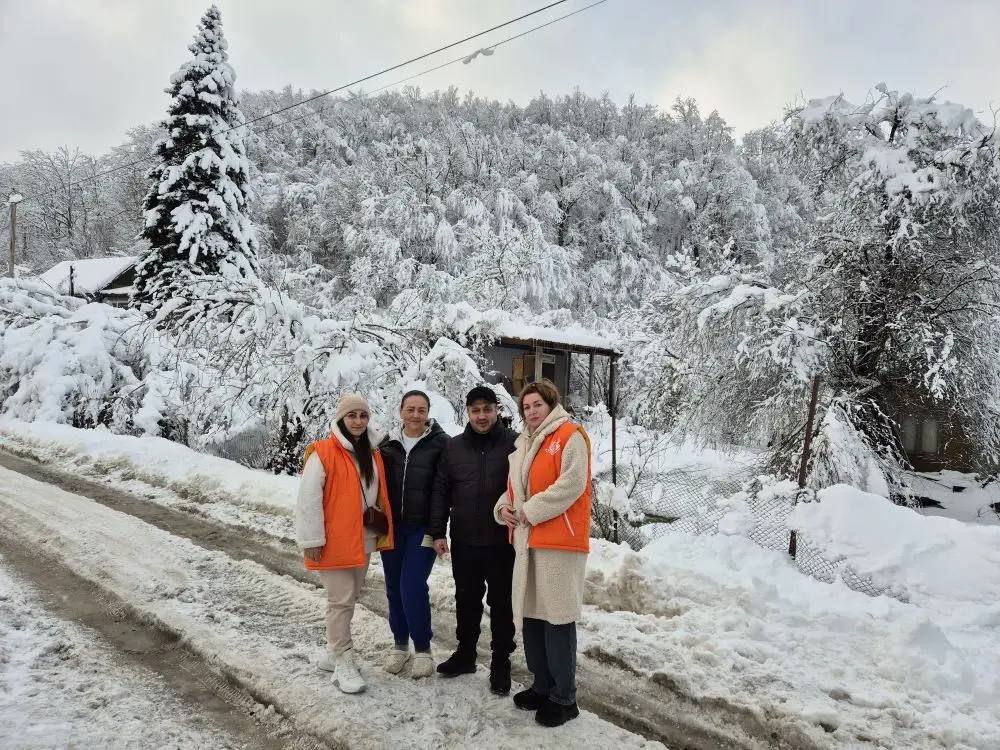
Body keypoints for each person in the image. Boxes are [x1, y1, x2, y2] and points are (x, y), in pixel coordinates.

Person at [494, 379, 591, 727]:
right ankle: (543, 685)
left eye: (538, 404)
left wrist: (528, 511)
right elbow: (514, 490)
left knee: (557, 618)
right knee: (532, 616)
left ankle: (565, 697)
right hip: (528, 542)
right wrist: (503, 508)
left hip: (560, 544)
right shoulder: (523, 443)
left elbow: (572, 484)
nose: (532, 411)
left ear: (551, 403)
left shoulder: (570, 435)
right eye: (526, 406)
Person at [295, 393, 394, 695]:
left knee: (349, 598)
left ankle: (332, 651)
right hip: (333, 540)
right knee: (340, 599)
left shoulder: (372, 452)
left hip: (363, 538)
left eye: (363, 416)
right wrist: (312, 539)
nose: (358, 421)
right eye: (352, 416)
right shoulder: (323, 452)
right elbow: (308, 498)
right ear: (341, 419)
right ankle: (343, 659)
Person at [429, 385, 518, 695]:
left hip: (503, 542)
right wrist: (438, 531)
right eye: (475, 410)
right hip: (465, 539)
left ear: (497, 410)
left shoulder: (515, 444)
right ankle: (465, 654)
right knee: (466, 599)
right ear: (467, 412)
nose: (482, 416)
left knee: (502, 603)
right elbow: (441, 490)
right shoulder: (453, 448)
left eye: (487, 409)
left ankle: (501, 661)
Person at [378, 390, 447, 678]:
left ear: (428, 413)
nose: (415, 415)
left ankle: (423, 649)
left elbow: (443, 491)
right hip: (393, 528)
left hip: (423, 528)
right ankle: (399, 645)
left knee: (412, 585)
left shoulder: (441, 444)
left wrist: (438, 531)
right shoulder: (387, 444)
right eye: (410, 409)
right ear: (401, 412)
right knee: (394, 586)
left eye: (421, 410)